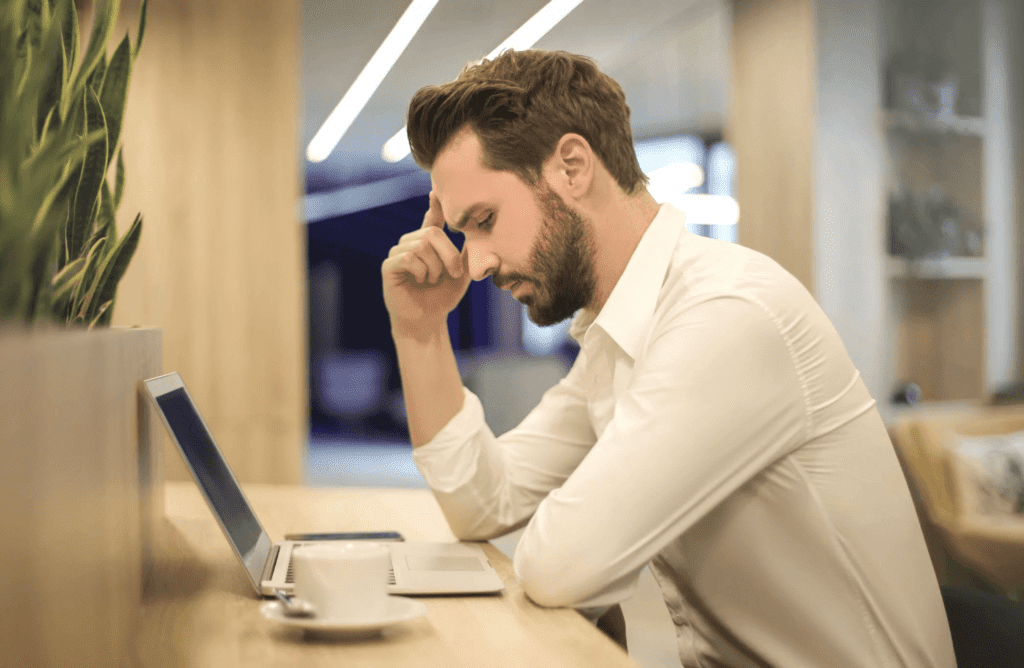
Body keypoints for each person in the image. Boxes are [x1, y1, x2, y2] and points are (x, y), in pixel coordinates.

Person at [380, 49, 956, 668]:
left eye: (485, 220)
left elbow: (559, 566)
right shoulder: (619, 335)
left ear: (572, 167)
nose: (477, 262)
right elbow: (482, 503)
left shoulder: (726, 315)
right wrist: (420, 331)